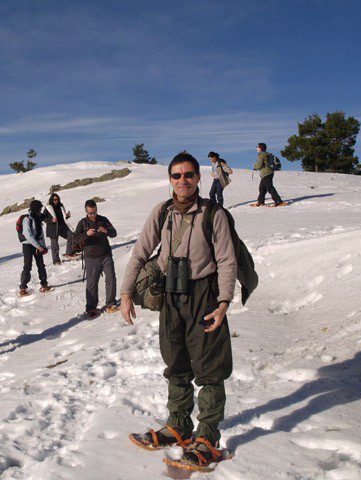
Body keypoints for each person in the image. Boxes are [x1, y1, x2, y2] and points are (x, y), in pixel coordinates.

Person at [120, 152, 237, 470]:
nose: (182, 180)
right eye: (176, 175)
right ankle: (179, 428)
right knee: (176, 363)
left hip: (204, 295)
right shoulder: (161, 212)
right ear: (169, 179)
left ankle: (208, 439)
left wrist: (224, 302)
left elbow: (227, 259)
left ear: (198, 178)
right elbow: (140, 252)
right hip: (171, 295)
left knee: (210, 368)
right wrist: (126, 292)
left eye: (188, 175)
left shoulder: (214, 214)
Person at [73, 199, 118, 317]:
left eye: (94, 212)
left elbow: (114, 233)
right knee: (92, 283)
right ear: (86, 212)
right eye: (90, 213)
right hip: (91, 257)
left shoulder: (103, 219)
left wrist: (106, 231)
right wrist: (86, 234)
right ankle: (91, 307)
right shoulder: (82, 223)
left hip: (106, 254)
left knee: (111, 278)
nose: (93, 215)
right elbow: (75, 239)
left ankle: (110, 303)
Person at [19, 200, 51, 296]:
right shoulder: (27, 219)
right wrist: (38, 246)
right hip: (27, 245)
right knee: (28, 265)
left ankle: (44, 285)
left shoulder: (38, 218)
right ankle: (23, 288)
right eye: (39, 209)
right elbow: (28, 235)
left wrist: (43, 247)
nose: (40, 211)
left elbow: (40, 235)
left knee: (41, 264)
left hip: (37, 245)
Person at [44, 193, 76, 265]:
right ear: (51, 200)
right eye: (55, 199)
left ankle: (69, 253)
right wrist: (51, 220)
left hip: (62, 227)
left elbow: (63, 217)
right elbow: (43, 218)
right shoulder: (48, 207)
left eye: (57, 199)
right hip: (53, 229)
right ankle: (56, 260)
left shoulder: (61, 206)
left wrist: (67, 216)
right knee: (55, 245)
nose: (56, 201)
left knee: (71, 235)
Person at [252, 142, 285, 207]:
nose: (257, 148)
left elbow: (259, 165)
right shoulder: (266, 154)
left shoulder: (261, 155)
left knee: (269, 187)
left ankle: (278, 201)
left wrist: (254, 166)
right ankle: (261, 202)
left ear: (260, 148)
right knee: (262, 188)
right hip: (269, 173)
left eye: (257, 147)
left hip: (266, 173)